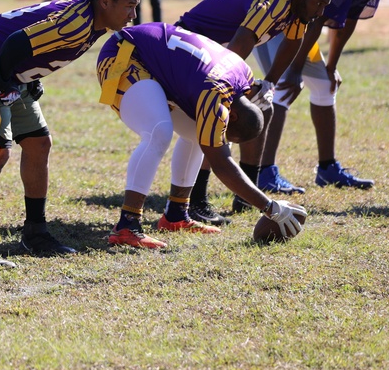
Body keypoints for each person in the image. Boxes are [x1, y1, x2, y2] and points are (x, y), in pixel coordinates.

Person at [0, 0, 144, 267]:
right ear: (105, 1)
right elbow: (16, 43)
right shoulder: (77, 23)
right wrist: (5, 84)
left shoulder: (95, 19)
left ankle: (35, 232)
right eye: (130, 6)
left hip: (7, 68)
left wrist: (30, 75)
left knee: (39, 143)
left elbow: (36, 39)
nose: (133, 15)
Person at [96, 22, 306, 249]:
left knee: (199, 134)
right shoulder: (215, 93)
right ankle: (127, 225)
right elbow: (222, 164)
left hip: (153, 57)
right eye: (228, 132)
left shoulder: (244, 75)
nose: (224, 136)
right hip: (125, 53)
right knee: (158, 132)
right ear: (232, 116)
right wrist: (270, 207)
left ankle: (175, 214)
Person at [173, 0, 335, 224]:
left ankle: (246, 192)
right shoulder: (276, 0)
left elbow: (293, 42)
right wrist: (226, 87)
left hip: (216, 51)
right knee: (215, 113)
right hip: (190, 44)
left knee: (263, 107)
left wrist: (269, 82)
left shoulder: (296, 6)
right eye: (318, 3)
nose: (320, 12)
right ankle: (197, 200)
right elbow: (243, 39)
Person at [249, 0, 389, 194]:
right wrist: (295, 70)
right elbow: (315, 22)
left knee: (324, 84)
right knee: (283, 88)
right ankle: (263, 172)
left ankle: (327, 168)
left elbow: (348, 21)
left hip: (300, 26)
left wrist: (331, 67)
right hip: (273, 17)